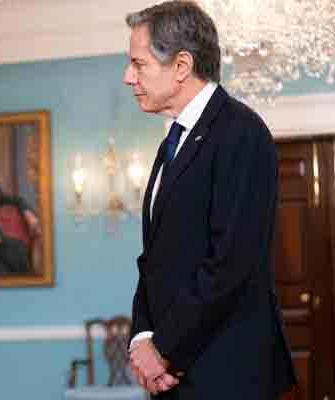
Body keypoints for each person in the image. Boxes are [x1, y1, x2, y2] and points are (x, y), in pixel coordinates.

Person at [122, 2, 296, 399]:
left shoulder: (240, 133)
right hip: (178, 374)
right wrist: (142, 339)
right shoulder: (175, 140)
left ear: (181, 66)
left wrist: (163, 350)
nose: (128, 77)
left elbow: (229, 264)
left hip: (226, 373)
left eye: (138, 63)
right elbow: (155, 262)